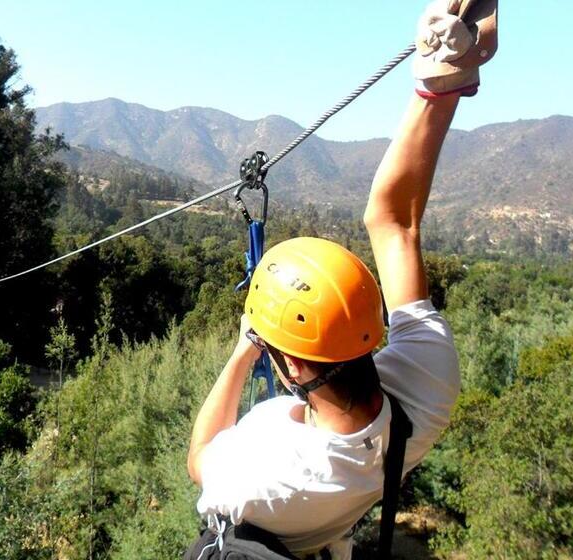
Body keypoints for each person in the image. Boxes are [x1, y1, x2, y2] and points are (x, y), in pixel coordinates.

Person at [186, 1, 497, 558]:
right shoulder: (418, 389)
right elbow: (393, 220)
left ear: (296, 365)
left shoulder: (268, 470)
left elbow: (200, 455)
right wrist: (441, 78)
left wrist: (239, 356)